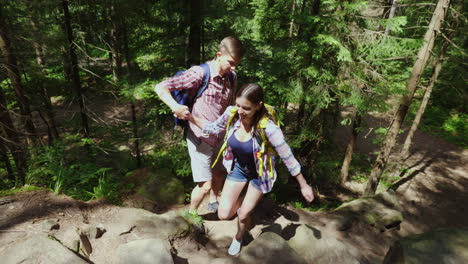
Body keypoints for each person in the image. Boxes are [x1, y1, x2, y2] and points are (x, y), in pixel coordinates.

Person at [187, 83, 314, 255]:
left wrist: (303, 184)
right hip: (238, 168)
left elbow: (287, 156)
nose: (240, 111)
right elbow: (213, 128)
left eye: (246, 108)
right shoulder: (232, 114)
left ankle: (239, 236)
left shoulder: (268, 128)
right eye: (238, 105)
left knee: (244, 215)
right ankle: (243, 201)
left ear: (258, 105)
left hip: (260, 175)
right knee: (224, 214)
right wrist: (189, 117)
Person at [154, 37, 244, 227]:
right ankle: (192, 214)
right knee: (205, 185)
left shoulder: (231, 77)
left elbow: (229, 105)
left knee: (219, 172)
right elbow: (161, 86)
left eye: (237, 64)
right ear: (219, 55)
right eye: (231, 63)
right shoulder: (199, 73)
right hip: (199, 137)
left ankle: (213, 201)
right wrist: (175, 106)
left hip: (220, 135)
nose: (234, 68)